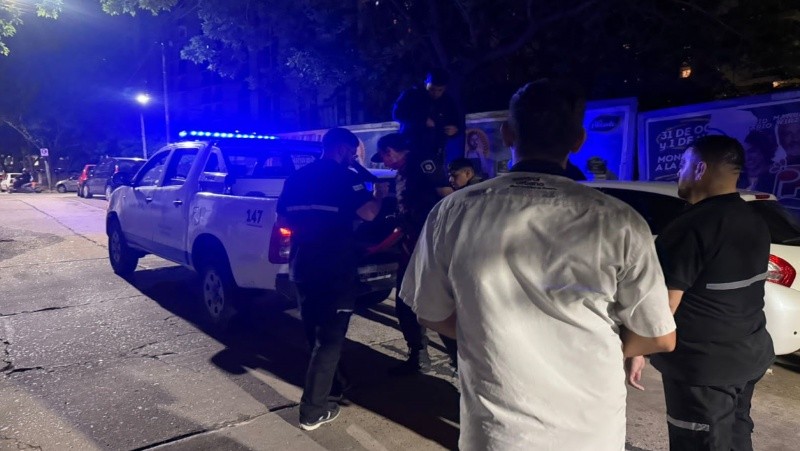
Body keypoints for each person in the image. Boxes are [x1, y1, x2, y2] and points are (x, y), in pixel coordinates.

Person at [399, 79, 677, 450]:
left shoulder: (452, 212)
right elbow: (658, 337)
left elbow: (430, 312)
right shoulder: (620, 221)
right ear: (578, 141)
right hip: (589, 431)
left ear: (507, 134)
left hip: (497, 435)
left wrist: (492, 337)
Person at [637, 135, 775, 450]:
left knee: (700, 442)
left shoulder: (690, 228)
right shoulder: (754, 220)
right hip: (748, 355)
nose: (678, 173)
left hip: (703, 370)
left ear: (700, 169)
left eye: (683, 164)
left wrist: (636, 349)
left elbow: (663, 307)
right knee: (735, 437)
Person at [276, 127, 384, 431]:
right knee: (330, 340)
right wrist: (379, 196)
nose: (354, 157)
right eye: (353, 152)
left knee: (314, 332)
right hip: (335, 268)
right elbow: (368, 214)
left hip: (302, 266)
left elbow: (282, 219)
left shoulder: (297, 177)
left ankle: (337, 383)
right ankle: (313, 410)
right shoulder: (346, 178)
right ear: (342, 149)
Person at [370, 133, 457, 374]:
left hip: (431, 247)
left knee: (436, 301)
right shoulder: (404, 173)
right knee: (408, 301)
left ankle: (458, 359)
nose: (385, 163)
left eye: (384, 158)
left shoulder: (422, 164)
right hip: (412, 245)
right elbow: (406, 216)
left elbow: (449, 198)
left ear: (390, 151)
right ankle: (420, 355)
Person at [392, 69, 462, 163]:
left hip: (436, 149)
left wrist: (455, 130)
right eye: (432, 89)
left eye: (440, 90)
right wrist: (422, 120)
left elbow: (457, 122)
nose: (435, 93)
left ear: (445, 88)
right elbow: (397, 114)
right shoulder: (411, 95)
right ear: (426, 83)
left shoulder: (448, 101)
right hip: (410, 147)